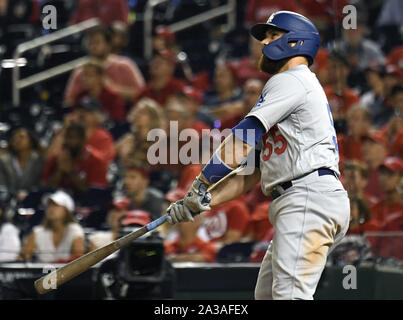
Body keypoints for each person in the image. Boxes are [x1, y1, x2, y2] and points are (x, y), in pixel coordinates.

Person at [166, 11, 350, 300]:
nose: (264, 42)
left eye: (272, 35)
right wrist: (201, 201)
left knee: (289, 297)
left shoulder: (291, 79)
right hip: (308, 197)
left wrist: (200, 183)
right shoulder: (295, 88)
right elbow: (250, 172)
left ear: (294, 43)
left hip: (307, 196)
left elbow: (241, 140)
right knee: (267, 296)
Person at [65, 26, 145, 105]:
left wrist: (111, 88)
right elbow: (69, 99)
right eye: (90, 43)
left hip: (120, 114)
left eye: (97, 42)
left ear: (108, 45)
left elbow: (141, 94)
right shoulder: (82, 69)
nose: (93, 46)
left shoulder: (125, 65)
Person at [42, 123, 109, 196]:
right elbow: (46, 189)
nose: (67, 141)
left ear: (83, 140)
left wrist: (71, 172)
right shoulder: (57, 158)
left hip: (84, 204)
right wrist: (59, 171)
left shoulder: (96, 160)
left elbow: (95, 195)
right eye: (66, 137)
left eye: (72, 138)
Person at [19, 190, 85, 263]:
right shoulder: (38, 232)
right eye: (49, 205)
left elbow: (78, 260)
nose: (51, 208)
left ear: (66, 210)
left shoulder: (74, 230)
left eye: (56, 205)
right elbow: (24, 257)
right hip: (41, 273)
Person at [46, 97, 116, 164]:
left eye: (88, 111)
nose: (82, 114)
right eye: (79, 110)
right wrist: (64, 131)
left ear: (97, 117)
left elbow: (104, 162)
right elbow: (49, 158)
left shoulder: (103, 138)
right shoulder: (67, 131)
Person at [0, 127, 44, 199]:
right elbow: (2, 185)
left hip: (34, 198)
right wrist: (14, 194)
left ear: (31, 141)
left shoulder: (39, 160)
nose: (17, 140)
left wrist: (29, 194)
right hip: (8, 198)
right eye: (14, 137)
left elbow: (41, 184)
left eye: (21, 137)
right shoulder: (3, 160)